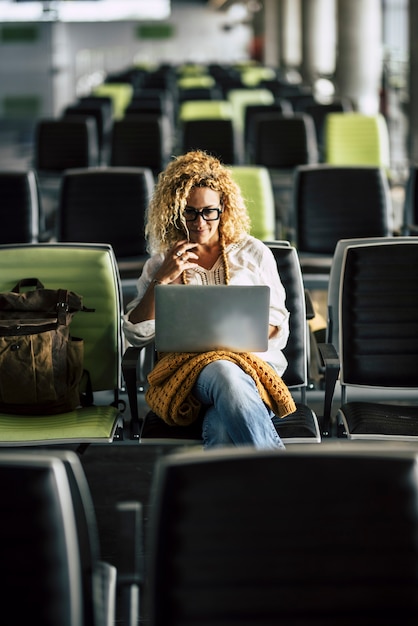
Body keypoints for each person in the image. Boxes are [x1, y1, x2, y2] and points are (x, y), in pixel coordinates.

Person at [123, 150, 295, 449]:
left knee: (221, 430)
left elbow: (277, 325)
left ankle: (224, 495)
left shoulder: (253, 253)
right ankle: (281, 477)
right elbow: (136, 334)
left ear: (223, 208)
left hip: (251, 371)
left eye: (208, 211)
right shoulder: (161, 262)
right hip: (188, 378)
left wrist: (232, 338)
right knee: (221, 369)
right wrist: (163, 279)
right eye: (189, 211)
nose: (199, 222)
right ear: (175, 211)